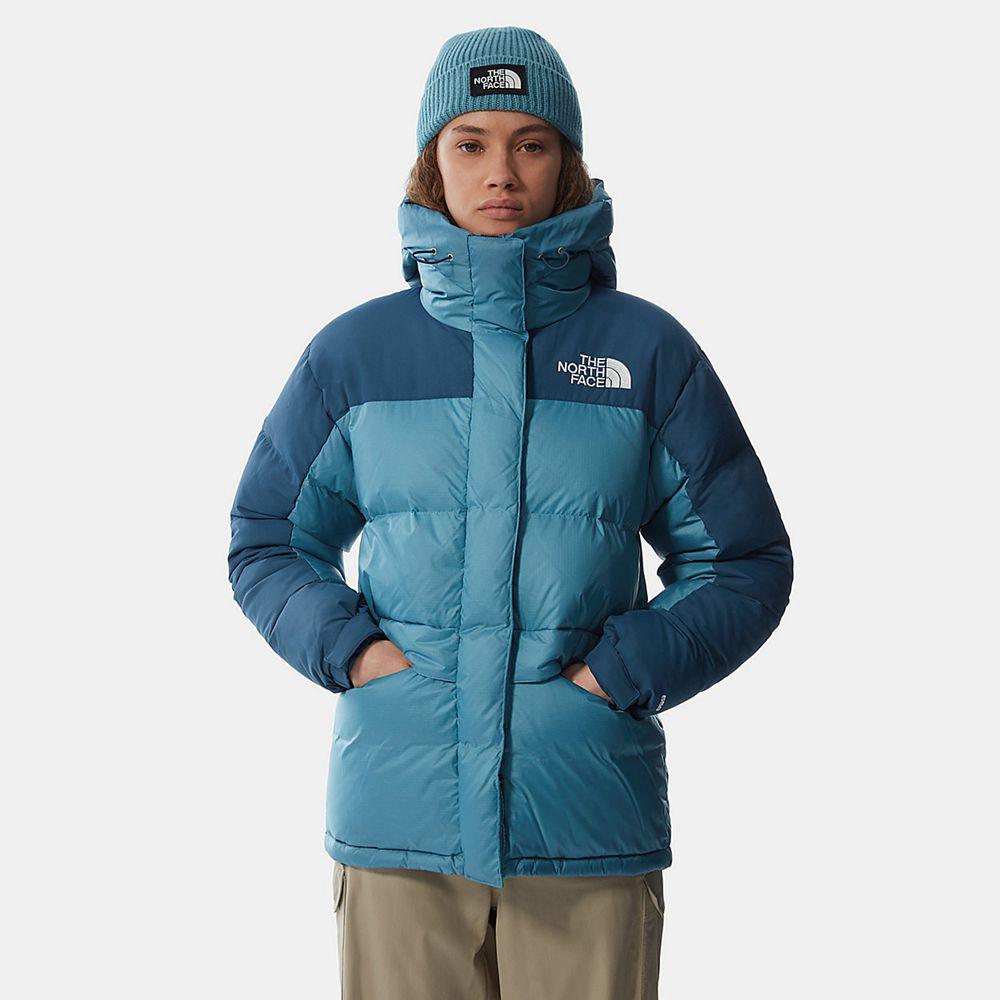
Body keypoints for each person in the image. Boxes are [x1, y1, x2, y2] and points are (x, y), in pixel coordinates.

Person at [227, 25, 793, 1000]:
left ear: (565, 162)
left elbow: (744, 560)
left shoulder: (646, 352)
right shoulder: (355, 356)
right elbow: (268, 540)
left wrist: (621, 672)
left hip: (585, 818)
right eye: (471, 142)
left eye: (531, 143)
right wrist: (356, 655)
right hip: (399, 818)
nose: (501, 172)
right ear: (432, 161)